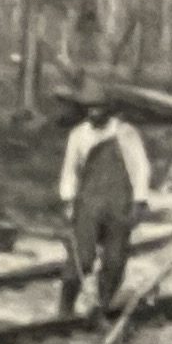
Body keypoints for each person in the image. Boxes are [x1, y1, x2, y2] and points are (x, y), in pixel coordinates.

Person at [57, 89, 154, 315]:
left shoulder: (125, 133)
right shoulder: (78, 135)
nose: (94, 113)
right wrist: (68, 199)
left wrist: (140, 200)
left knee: (115, 259)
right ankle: (65, 308)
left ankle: (104, 303)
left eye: (99, 108)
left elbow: (140, 167)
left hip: (118, 204)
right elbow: (70, 169)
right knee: (82, 257)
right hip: (89, 202)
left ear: (108, 110)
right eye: (90, 108)